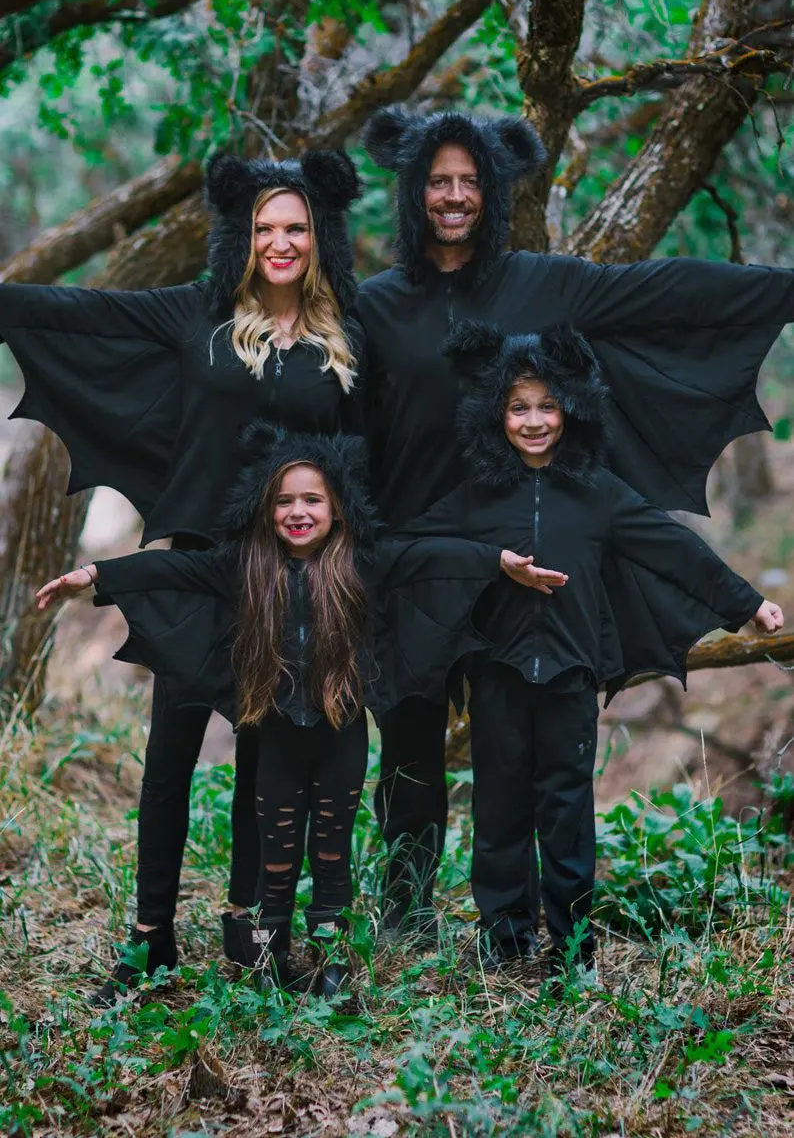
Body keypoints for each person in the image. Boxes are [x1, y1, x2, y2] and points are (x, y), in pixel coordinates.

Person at [356, 104, 794, 941]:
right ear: (413, 191)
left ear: (493, 188)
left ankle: (540, 921)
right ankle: (408, 919)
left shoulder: (545, 282)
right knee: (409, 748)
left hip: (536, 561)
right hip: (417, 558)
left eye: (471, 180)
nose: (455, 195)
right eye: (439, 181)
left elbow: (665, 291)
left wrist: (784, 290)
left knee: (537, 761)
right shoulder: (373, 304)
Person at [1, 148, 364, 1001]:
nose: (279, 242)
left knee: (260, 757)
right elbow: (81, 315)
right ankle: (149, 939)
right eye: (265, 227)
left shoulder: (345, 335)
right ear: (242, 234)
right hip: (196, 561)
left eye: (296, 228)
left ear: (318, 237)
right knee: (170, 756)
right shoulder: (197, 314)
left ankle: (249, 927)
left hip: (287, 579)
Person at [35, 426, 513, 995]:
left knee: (332, 851)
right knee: (278, 855)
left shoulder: (364, 564)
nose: (298, 511)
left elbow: (432, 558)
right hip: (278, 735)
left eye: (313, 500)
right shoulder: (244, 566)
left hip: (342, 732)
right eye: (284, 501)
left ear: (338, 507)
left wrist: (498, 560)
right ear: (264, 508)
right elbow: (167, 571)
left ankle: (333, 959)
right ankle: (268, 957)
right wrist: (95, 575)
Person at [398, 320, 784, 971]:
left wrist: (745, 600)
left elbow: (673, 549)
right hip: (497, 673)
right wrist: (491, 558)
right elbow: (413, 549)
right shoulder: (477, 495)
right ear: (497, 412)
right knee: (499, 813)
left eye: (547, 405)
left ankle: (571, 949)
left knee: (567, 814)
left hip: (573, 675)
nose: (534, 420)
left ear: (571, 407)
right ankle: (504, 943)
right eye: (519, 407)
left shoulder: (599, 493)